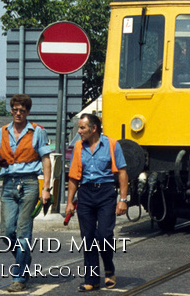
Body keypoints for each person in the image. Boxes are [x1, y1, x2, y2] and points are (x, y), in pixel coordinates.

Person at [0, 94, 53, 293]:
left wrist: (46, 188)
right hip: (8, 183)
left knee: (23, 232)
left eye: (22, 110)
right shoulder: (3, 131)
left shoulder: (38, 131)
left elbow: (46, 160)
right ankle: (23, 257)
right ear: (11, 110)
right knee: (7, 232)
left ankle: (19, 277)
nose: (18, 113)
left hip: (29, 183)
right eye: (15, 110)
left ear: (28, 112)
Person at [65, 114, 129, 292]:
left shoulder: (112, 145)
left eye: (82, 128)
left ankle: (109, 267)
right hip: (85, 194)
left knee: (104, 235)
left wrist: (122, 200)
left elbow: (122, 173)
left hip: (106, 192)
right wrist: (69, 201)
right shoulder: (78, 146)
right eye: (79, 127)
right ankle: (91, 279)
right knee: (88, 238)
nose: (79, 131)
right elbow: (73, 177)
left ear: (93, 129)